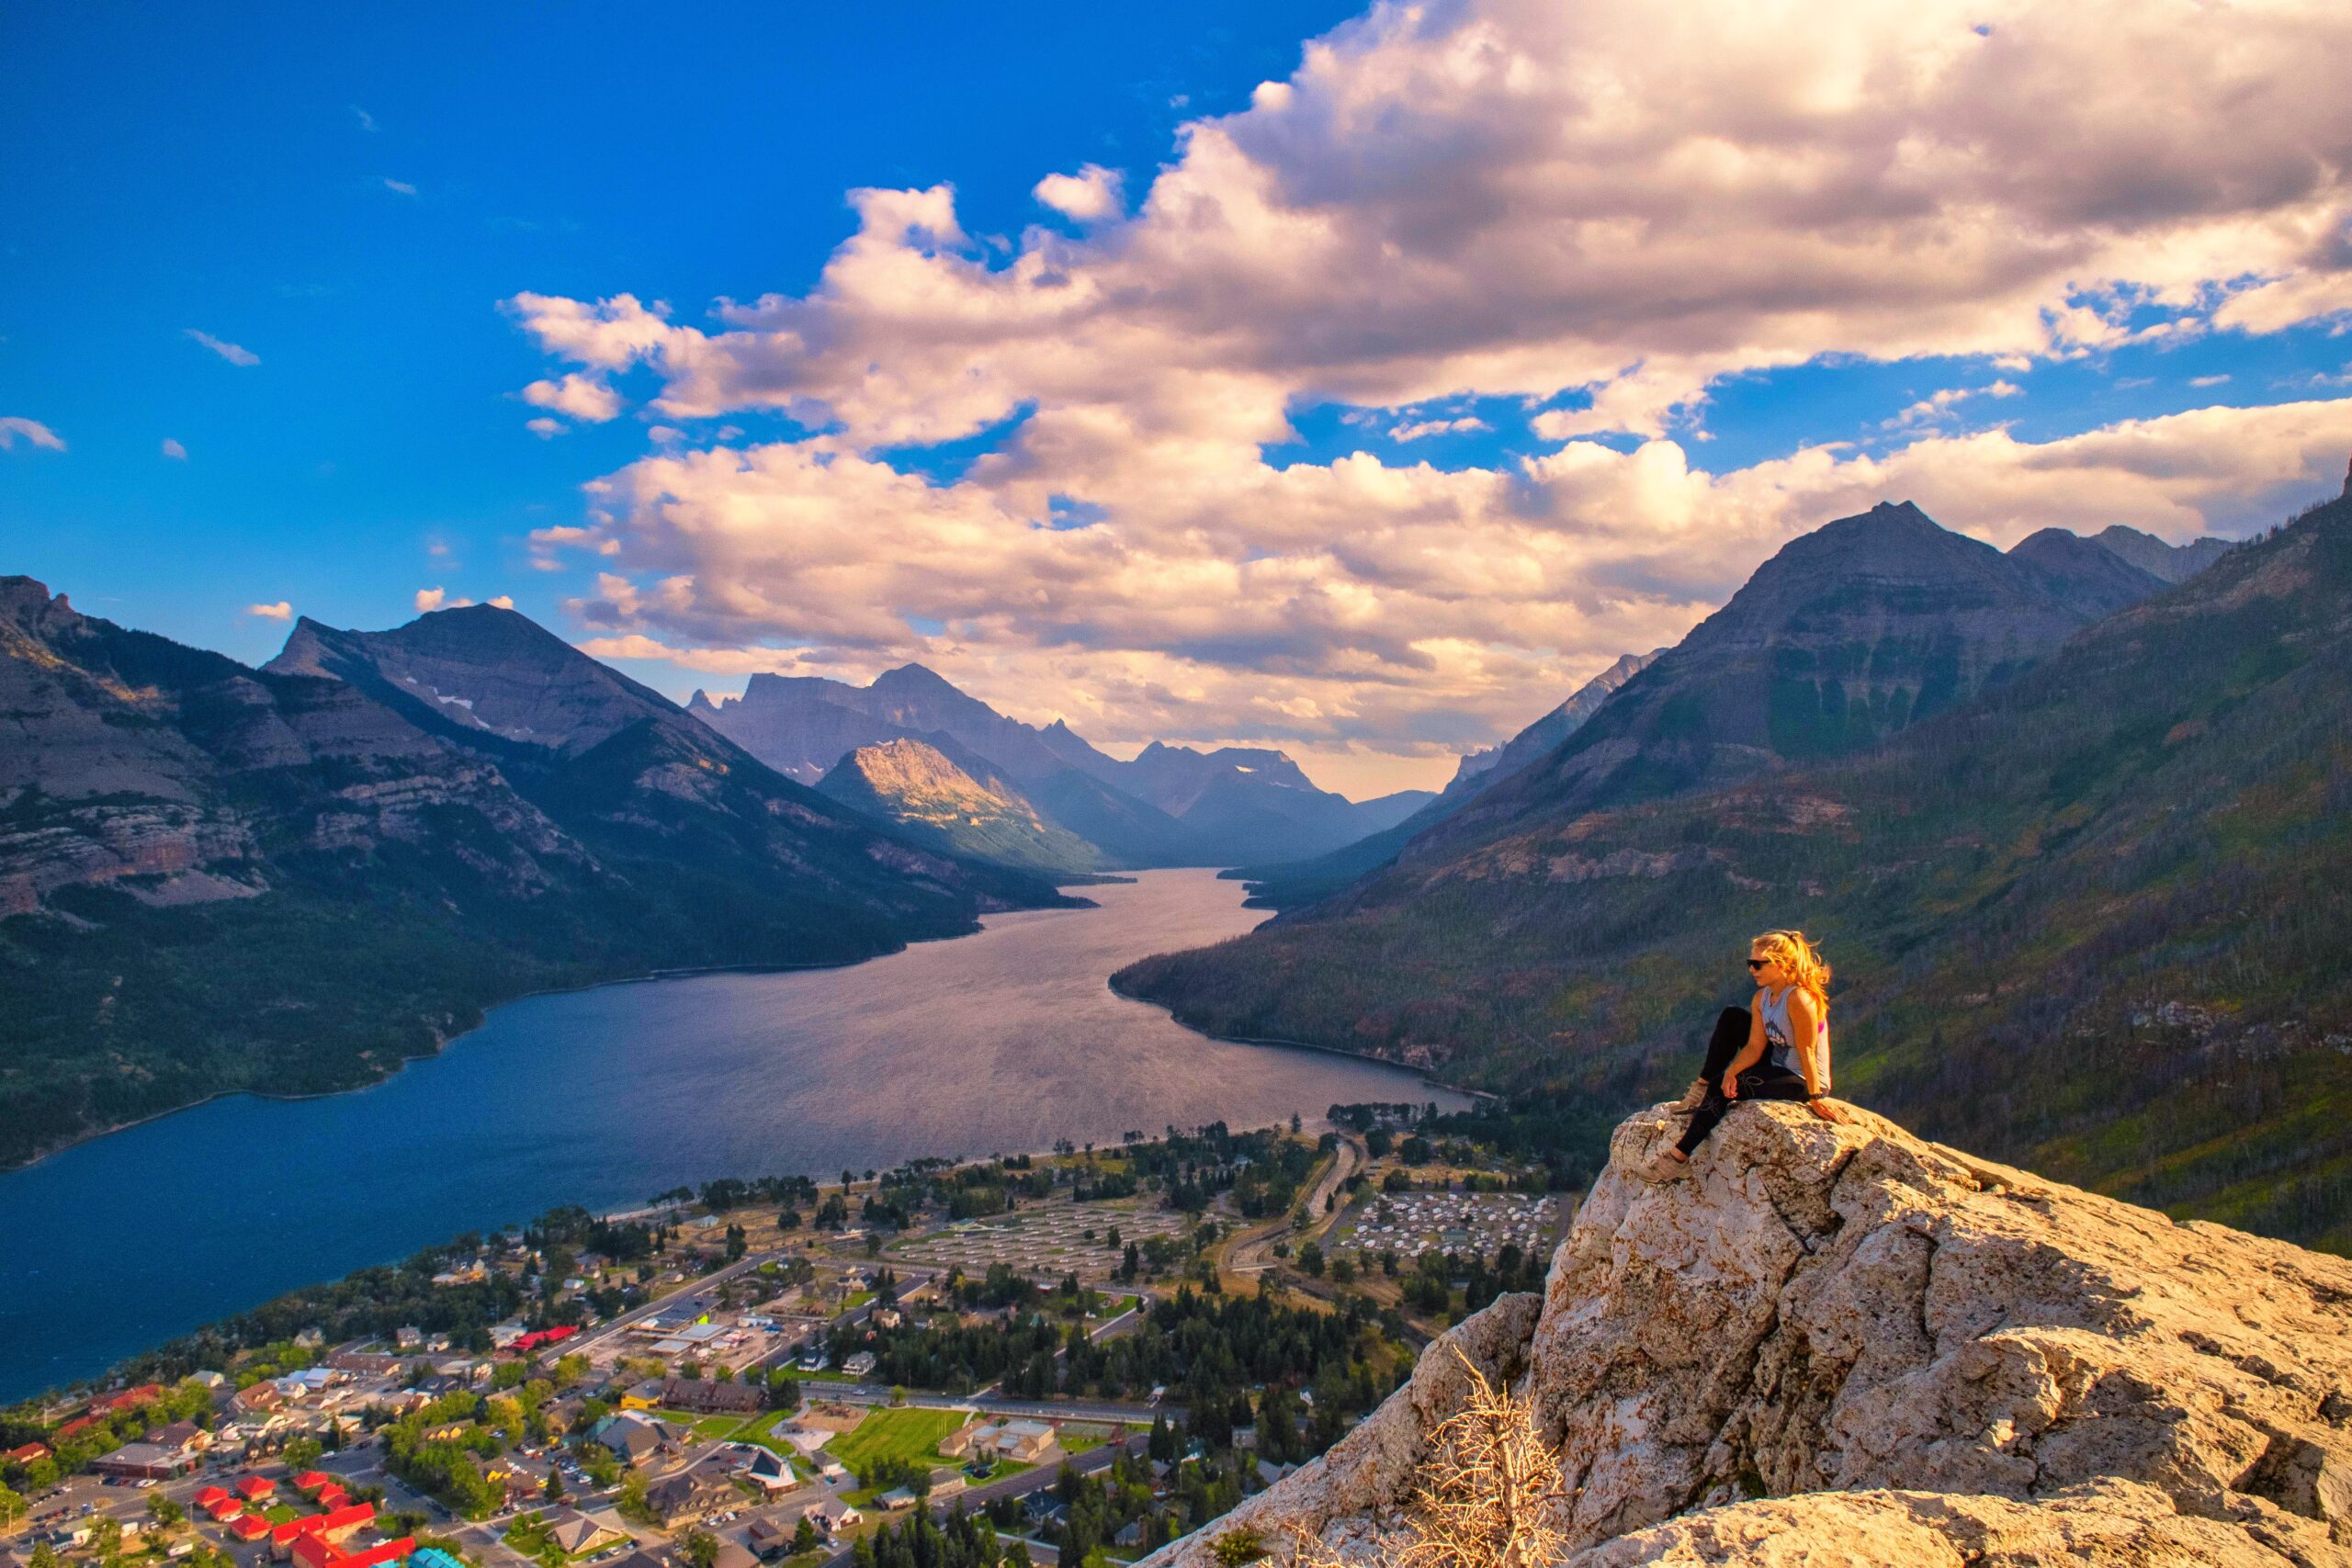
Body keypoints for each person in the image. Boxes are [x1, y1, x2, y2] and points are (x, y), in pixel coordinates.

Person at [1643, 930, 1845, 1179]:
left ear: (1780, 964)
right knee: (1731, 1018)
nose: (1752, 969)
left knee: (1721, 1088)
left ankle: (1678, 1158)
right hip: (1775, 1063)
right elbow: (1754, 1046)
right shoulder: (1763, 997)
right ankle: (1699, 1088)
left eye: (1759, 964)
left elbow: (1807, 1051)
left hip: (1800, 1078)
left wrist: (1816, 1097)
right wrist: (1732, 1071)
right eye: (1751, 963)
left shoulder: (1800, 999)